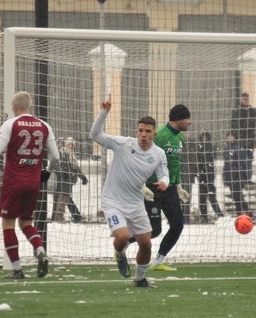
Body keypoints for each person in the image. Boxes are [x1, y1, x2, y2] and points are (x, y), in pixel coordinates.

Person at [0, 91, 59, 279]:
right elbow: (56, 156)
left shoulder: (11, 124)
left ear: (14, 108)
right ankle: (40, 249)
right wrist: (48, 171)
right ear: (30, 107)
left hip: (13, 181)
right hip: (33, 182)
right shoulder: (44, 125)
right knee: (27, 222)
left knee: (8, 224)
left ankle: (17, 269)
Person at [90, 96, 169, 288]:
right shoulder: (123, 144)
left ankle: (139, 279)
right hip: (113, 201)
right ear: (136, 132)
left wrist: (164, 182)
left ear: (154, 134)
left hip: (135, 202)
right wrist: (103, 113)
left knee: (146, 243)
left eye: (147, 131)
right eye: (140, 130)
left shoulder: (158, 154)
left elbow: (164, 174)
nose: (143, 134)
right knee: (123, 237)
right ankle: (119, 253)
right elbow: (95, 135)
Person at [140, 104, 192, 271]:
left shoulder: (180, 138)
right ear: (178, 119)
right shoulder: (159, 135)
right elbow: (143, 158)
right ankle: (123, 243)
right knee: (154, 230)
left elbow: (174, 165)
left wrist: (178, 186)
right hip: (153, 188)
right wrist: (142, 185)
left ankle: (158, 261)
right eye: (187, 118)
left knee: (177, 225)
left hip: (169, 188)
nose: (189, 122)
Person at [51, 136, 87, 223]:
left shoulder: (71, 156)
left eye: (73, 144)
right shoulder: (62, 154)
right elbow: (55, 165)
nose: (72, 146)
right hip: (62, 180)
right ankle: (58, 219)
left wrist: (83, 177)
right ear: (66, 145)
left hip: (68, 181)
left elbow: (76, 169)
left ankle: (57, 218)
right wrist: (62, 173)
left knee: (63, 199)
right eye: (70, 144)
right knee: (62, 200)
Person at [231, 92, 256, 182]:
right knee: (241, 158)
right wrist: (233, 134)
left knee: (249, 158)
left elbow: (255, 124)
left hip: (250, 138)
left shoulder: (252, 111)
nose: (245, 101)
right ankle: (242, 177)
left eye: (246, 99)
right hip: (240, 138)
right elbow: (233, 124)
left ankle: (247, 177)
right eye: (243, 99)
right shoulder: (236, 111)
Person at [196, 132, 223, 223]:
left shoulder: (210, 147)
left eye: (205, 137)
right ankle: (204, 217)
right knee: (202, 197)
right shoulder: (199, 147)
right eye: (202, 137)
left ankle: (220, 215)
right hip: (201, 175)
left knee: (212, 196)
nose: (204, 139)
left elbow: (212, 158)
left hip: (209, 175)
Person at [222, 132, 250, 217]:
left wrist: (244, 174)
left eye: (231, 136)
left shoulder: (238, 147)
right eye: (228, 137)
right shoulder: (226, 148)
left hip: (238, 175)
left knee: (238, 195)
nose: (230, 138)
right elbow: (226, 163)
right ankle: (240, 212)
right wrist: (225, 176)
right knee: (234, 195)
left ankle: (247, 212)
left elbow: (243, 161)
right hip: (230, 176)